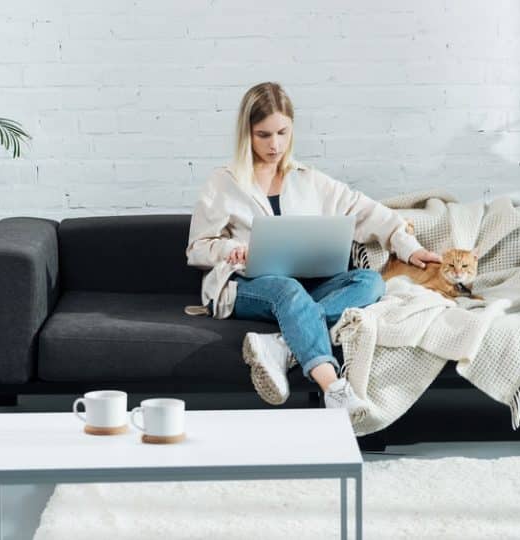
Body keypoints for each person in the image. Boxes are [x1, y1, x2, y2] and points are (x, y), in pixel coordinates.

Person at [185, 82, 441, 421]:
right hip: (245, 287)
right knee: (286, 290)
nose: (274, 145)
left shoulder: (309, 179)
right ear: (247, 133)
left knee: (370, 283)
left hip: (306, 287)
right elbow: (196, 249)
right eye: (263, 135)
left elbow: (364, 210)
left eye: (282, 132)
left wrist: (409, 247)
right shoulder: (224, 182)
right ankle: (334, 389)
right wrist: (231, 249)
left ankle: (281, 343)